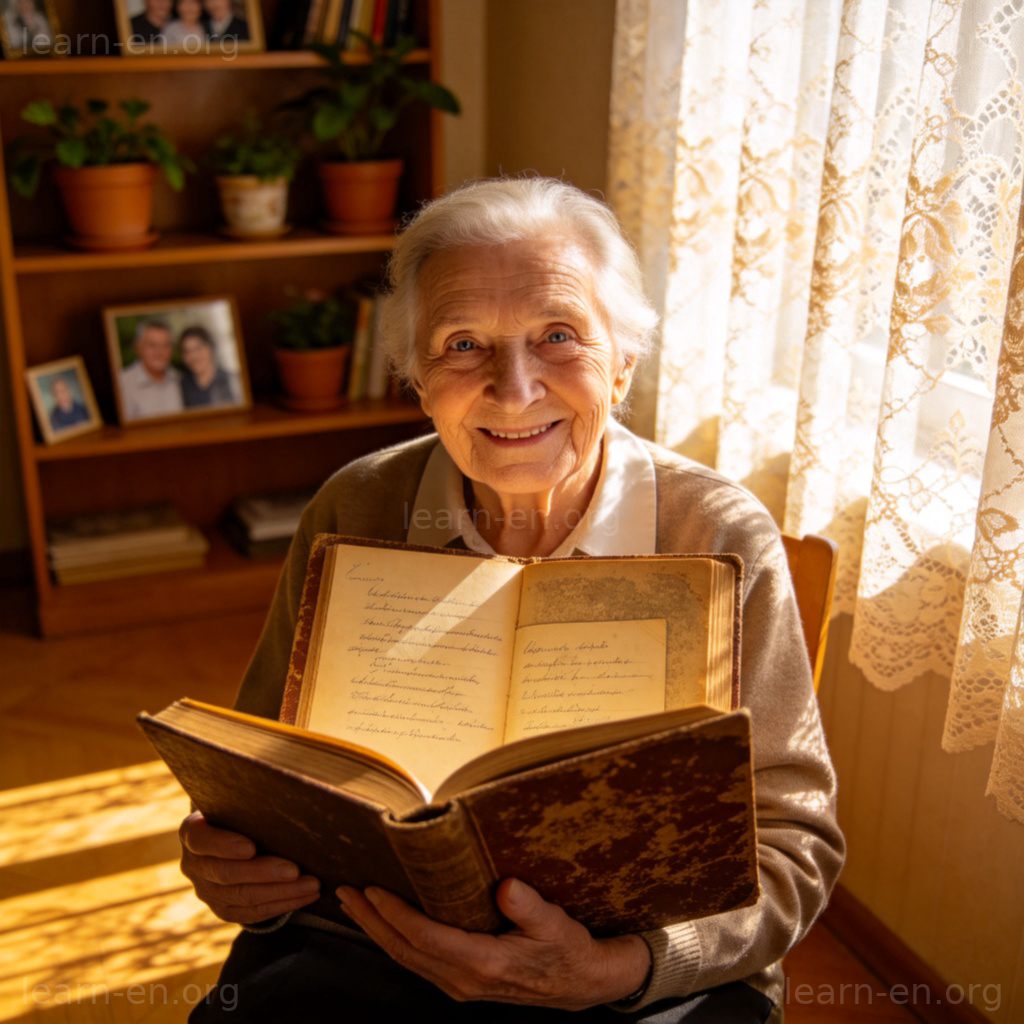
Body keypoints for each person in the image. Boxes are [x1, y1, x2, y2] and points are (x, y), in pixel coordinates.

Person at [181, 177, 844, 1023]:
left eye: (558, 335)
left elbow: (797, 844)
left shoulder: (714, 532)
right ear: (415, 377)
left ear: (624, 361)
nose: (514, 386)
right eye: (462, 345)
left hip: (640, 986)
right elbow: (260, 779)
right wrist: (229, 856)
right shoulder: (356, 507)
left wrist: (622, 969)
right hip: (375, 944)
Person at [119, 319, 183, 421]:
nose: (159, 352)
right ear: (138, 348)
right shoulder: (121, 384)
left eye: (165, 345)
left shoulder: (181, 379)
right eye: (152, 345)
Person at [179, 325, 238, 407]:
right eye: (187, 351)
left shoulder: (234, 382)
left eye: (198, 349)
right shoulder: (181, 386)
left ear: (210, 348)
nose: (193, 356)